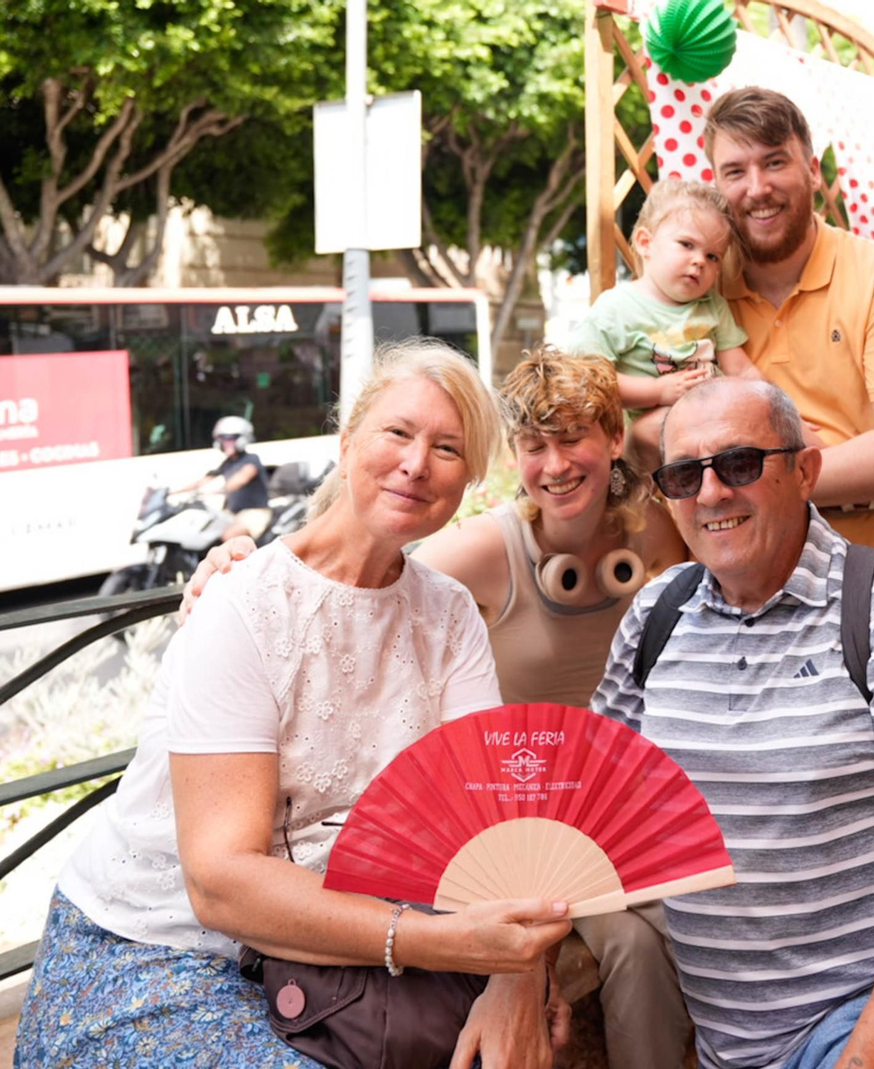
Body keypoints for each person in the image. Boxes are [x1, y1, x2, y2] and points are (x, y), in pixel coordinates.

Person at [17, 341, 573, 1068]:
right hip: (162, 946)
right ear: (346, 444)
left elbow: (495, 817)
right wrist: (444, 941)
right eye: (398, 433)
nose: (416, 463)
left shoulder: (450, 614)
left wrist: (517, 976)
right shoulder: (244, 605)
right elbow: (220, 883)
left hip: (328, 953)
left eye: (447, 447)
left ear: (467, 481)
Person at [182, 349, 694, 1069]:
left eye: (447, 447)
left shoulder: (659, 533)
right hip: (524, 824)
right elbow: (349, 579)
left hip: (614, 807)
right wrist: (231, 563)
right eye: (533, 446)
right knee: (635, 947)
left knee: (710, 914)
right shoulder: (472, 558)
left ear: (615, 439)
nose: (555, 465)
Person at [594, 376, 874, 1069]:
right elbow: (582, 812)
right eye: (685, 474)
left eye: (740, 463)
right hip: (730, 1043)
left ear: (805, 471)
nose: (711, 492)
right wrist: (513, 981)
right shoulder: (656, 616)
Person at [703, 87, 874, 561]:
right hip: (729, 590)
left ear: (813, 171)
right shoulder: (698, 288)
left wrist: (743, 483)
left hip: (870, 582)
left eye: (775, 162)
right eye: (735, 171)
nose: (756, 188)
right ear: (716, 184)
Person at [566, 179, 760, 472]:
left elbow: (740, 368)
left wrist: (771, 402)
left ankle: (814, 464)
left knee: (765, 421)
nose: (699, 262)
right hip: (648, 433)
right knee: (660, 425)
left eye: (712, 256)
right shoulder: (618, 308)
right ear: (646, 243)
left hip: (711, 418)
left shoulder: (711, 305)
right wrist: (656, 391)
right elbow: (588, 380)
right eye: (686, 245)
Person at [176, 415, 272, 541]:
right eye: (223, 439)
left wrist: (215, 491)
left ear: (242, 439)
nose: (227, 443)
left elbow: (241, 479)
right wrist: (172, 492)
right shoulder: (227, 463)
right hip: (232, 513)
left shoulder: (251, 460)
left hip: (254, 513)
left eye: (231, 439)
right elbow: (203, 480)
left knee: (229, 536)